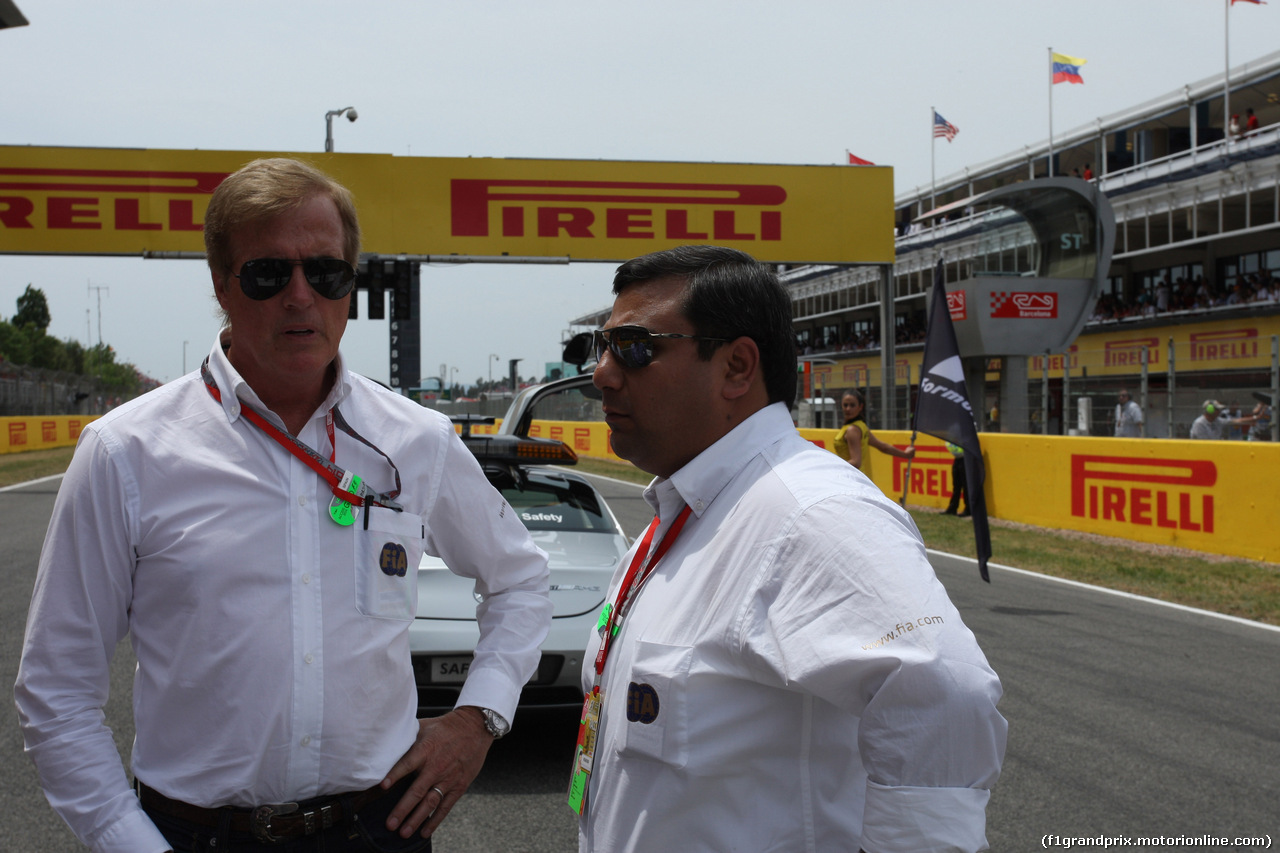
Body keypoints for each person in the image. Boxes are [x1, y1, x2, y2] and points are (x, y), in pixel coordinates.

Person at [15, 158, 553, 853]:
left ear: (349, 284)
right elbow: (55, 688)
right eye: (269, 274)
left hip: (378, 828)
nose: (301, 296)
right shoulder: (127, 450)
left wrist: (479, 718)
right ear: (221, 285)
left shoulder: (415, 439)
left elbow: (520, 579)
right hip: (194, 835)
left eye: (325, 273)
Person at [576, 245, 1007, 853]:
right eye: (601, 346)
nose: (602, 374)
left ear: (736, 367)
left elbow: (944, 693)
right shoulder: (689, 509)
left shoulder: (809, 512)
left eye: (634, 347)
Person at [833, 389, 916, 471]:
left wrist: (832, 468)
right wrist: (905, 454)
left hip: (851, 478)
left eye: (852, 405)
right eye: (845, 405)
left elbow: (856, 462)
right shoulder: (861, 426)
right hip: (860, 477)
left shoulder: (852, 430)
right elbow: (883, 447)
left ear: (860, 407)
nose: (848, 409)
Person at [943, 440, 970, 516]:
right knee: (956, 486)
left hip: (966, 460)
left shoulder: (967, 433)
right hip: (957, 459)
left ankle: (968, 509)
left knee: (966, 486)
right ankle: (952, 508)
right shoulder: (953, 433)